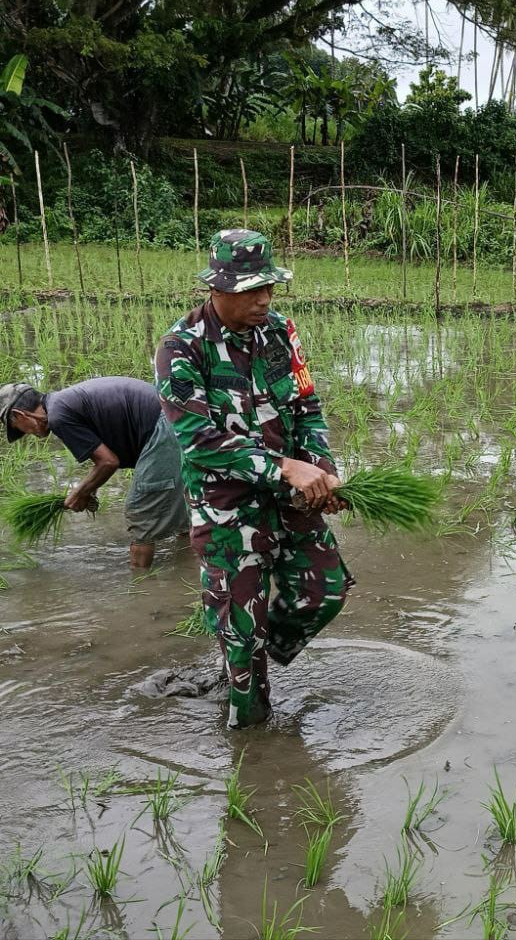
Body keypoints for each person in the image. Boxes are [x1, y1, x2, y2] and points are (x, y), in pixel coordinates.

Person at [155, 228, 353, 729]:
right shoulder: (182, 348)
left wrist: (322, 470)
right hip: (226, 508)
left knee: (325, 591)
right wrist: (284, 466)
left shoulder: (281, 332)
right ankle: (248, 735)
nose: (263, 299)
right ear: (217, 289)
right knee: (244, 636)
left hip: (289, 500)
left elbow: (306, 405)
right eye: (250, 290)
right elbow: (198, 441)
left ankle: (248, 659)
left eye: (269, 287)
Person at [0, 378, 188, 568]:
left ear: (20, 414)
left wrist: (79, 493)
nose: (27, 434)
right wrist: (89, 490)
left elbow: (108, 462)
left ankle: (140, 584)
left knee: (139, 511)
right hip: (175, 415)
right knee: (182, 503)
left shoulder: (58, 417)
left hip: (164, 426)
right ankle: (190, 563)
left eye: (18, 429)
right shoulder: (61, 405)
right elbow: (102, 459)